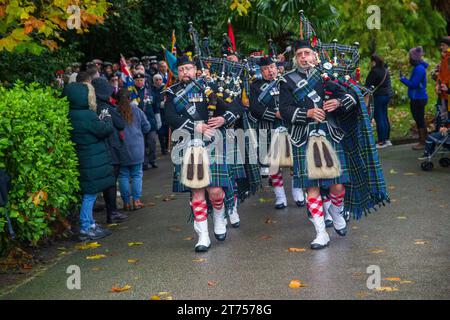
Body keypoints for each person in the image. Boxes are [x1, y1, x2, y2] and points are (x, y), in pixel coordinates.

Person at [279, 39, 358, 249]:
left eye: (307, 53)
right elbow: (284, 110)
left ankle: (336, 210)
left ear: (315, 55)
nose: (304, 57)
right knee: (311, 186)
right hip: (303, 136)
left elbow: (352, 95)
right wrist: (307, 113)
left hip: (329, 133)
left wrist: (339, 102)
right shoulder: (286, 81)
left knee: (338, 185)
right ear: (295, 59)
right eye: (300, 55)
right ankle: (321, 233)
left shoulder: (326, 76)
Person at [165, 55, 242, 252]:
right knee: (197, 190)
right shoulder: (172, 93)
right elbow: (170, 117)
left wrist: (224, 119)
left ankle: (218, 214)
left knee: (215, 191)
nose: (185, 73)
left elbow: (235, 105)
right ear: (177, 72)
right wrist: (196, 127)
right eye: (181, 70)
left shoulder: (209, 87)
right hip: (188, 143)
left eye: (188, 69)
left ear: (195, 70)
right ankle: (203, 236)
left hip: (213, 142)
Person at [249, 56, 306, 209]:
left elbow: (297, 100)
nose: (270, 71)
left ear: (277, 67)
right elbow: (254, 108)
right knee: (274, 164)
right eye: (266, 69)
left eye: (272, 67)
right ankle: (280, 197)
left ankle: (298, 193)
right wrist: (274, 114)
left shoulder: (286, 81)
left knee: (295, 161)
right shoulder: (255, 86)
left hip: (289, 124)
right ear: (261, 72)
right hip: (269, 126)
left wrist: (288, 113)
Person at [63, 82, 114, 240]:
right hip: (91, 160)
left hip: (82, 158)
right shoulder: (86, 114)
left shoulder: (69, 114)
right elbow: (104, 130)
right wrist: (106, 118)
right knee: (90, 194)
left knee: (88, 193)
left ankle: (90, 223)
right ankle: (86, 226)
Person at [91, 78, 129, 224]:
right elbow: (120, 124)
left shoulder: (93, 108)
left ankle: (111, 211)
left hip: (101, 148)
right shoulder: (107, 108)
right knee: (111, 182)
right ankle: (112, 212)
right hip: (112, 148)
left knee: (108, 182)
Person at [117, 88, 151, 211]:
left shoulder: (115, 112)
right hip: (137, 147)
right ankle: (136, 200)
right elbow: (147, 127)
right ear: (130, 98)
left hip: (121, 148)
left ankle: (126, 202)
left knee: (123, 175)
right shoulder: (137, 111)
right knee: (137, 174)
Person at [400, 46, 429, 150]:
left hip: (418, 98)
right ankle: (424, 140)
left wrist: (403, 79)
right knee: (419, 119)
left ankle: (423, 142)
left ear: (414, 58)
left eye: (410, 56)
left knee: (419, 119)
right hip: (417, 97)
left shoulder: (419, 69)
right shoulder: (419, 67)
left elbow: (414, 84)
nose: (409, 58)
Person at [132, 72, 161, 169]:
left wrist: (158, 118)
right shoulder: (132, 91)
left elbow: (156, 105)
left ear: (144, 80)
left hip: (151, 121)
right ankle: (144, 162)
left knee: (152, 142)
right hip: (138, 122)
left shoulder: (149, 91)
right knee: (142, 144)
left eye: (141, 80)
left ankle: (152, 160)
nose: (139, 82)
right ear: (134, 81)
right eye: (137, 80)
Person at [365, 54, 394, 148]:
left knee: (379, 117)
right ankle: (387, 139)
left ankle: (381, 141)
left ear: (374, 62)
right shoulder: (385, 70)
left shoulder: (374, 72)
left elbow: (367, 85)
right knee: (384, 117)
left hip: (378, 96)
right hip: (386, 95)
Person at [152, 73, 169, 155]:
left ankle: (166, 146)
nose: (158, 81)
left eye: (160, 79)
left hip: (166, 112)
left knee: (167, 132)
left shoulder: (166, 88)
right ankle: (163, 148)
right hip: (157, 112)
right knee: (160, 132)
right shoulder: (152, 89)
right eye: (156, 80)